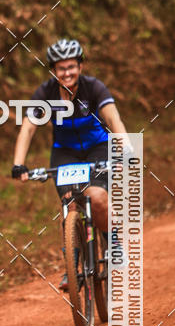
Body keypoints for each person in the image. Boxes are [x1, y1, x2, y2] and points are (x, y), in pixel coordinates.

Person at [12, 38, 130, 290]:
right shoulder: (45, 93)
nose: (66, 73)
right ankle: (72, 268)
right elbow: (28, 129)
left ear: (80, 66)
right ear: (53, 70)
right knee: (70, 203)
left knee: (97, 197)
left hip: (98, 148)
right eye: (61, 68)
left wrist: (123, 153)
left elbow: (115, 121)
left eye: (71, 67)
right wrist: (18, 164)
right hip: (65, 153)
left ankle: (114, 242)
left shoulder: (94, 88)